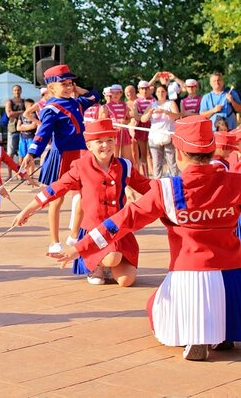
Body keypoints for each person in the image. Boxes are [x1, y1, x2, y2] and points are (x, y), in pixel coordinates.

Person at [53, 116, 240, 361]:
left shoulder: (167, 190)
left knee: (155, 309)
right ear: (212, 149)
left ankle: (196, 334)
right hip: (234, 274)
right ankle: (223, 333)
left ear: (179, 153)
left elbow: (120, 222)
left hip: (188, 275)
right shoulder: (236, 182)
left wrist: (79, 248)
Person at [13, 119, 152, 286]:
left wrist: (175, 190)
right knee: (114, 257)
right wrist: (28, 209)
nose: (105, 146)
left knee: (126, 281)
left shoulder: (125, 166)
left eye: (109, 140)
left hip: (119, 231)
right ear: (89, 146)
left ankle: (107, 263)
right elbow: (55, 189)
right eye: (99, 142)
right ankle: (94, 262)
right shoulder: (81, 167)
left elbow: (148, 187)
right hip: (94, 232)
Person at [20, 64, 100, 253]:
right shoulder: (51, 108)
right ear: (51, 88)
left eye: (70, 83)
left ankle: (73, 235)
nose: (69, 87)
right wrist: (32, 153)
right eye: (63, 83)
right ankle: (54, 241)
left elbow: (95, 96)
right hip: (62, 156)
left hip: (80, 156)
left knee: (83, 194)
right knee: (56, 198)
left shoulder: (77, 102)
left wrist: (75, 88)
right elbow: (43, 134)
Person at [141, 85, 179, 178]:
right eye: (158, 92)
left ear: (166, 92)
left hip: (169, 136)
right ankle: (157, 184)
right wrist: (149, 113)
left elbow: (177, 116)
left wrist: (165, 112)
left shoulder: (171, 103)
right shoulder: (151, 105)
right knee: (157, 162)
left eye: (162, 91)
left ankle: (174, 182)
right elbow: (143, 119)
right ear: (155, 93)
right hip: (154, 137)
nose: (160, 94)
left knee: (172, 162)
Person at [100, 84, 134, 163]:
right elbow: (103, 122)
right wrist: (115, 123)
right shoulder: (106, 106)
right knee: (114, 157)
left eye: (117, 93)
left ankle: (127, 174)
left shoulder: (124, 105)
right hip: (113, 133)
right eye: (113, 93)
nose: (115, 95)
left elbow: (128, 119)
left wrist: (125, 122)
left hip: (124, 132)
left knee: (127, 158)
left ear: (121, 93)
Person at [5, 85, 26, 179]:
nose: (16, 91)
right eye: (15, 90)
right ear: (12, 91)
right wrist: (22, 112)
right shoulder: (9, 102)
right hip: (12, 129)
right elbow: (9, 114)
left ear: (21, 91)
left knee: (22, 153)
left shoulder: (24, 101)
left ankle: (21, 174)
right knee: (10, 153)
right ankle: (9, 174)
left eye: (18, 90)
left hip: (23, 129)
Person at [16, 99, 37, 177]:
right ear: (26, 106)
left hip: (31, 138)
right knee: (21, 157)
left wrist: (23, 127)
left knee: (30, 157)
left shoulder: (35, 115)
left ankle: (31, 175)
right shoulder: (21, 115)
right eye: (31, 106)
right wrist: (27, 127)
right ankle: (22, 173)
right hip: (22, 138)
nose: (33, 107)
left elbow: (33, 126)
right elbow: (18, 128)